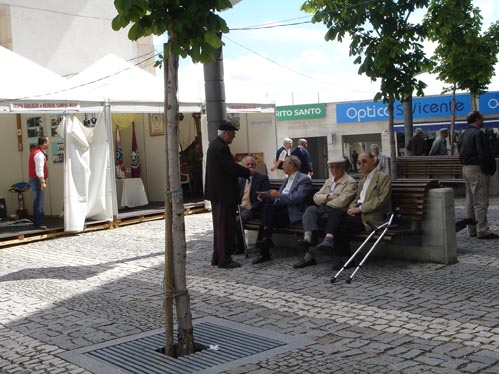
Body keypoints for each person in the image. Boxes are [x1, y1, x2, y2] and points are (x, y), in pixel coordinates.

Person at [293, 152, 391, 269]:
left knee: (336, 220)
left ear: (373, 161)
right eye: (359, 163)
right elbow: (357, 198)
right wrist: (351, 208)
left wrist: (358, 209)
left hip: (369, 216)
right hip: (354, 213)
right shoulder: (363, 179)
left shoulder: (382, 177)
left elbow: (381, 200)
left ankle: (337, 252)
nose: (361, 165)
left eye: (364, 161)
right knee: (319, 218)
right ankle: (332, 250)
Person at [205, 121, 255, 268]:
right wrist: (247, 172)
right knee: (224, 227)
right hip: (223, 194)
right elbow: (230, 168)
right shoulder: (221, 147)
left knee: (219, 226)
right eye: (233, 135)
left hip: (218, 194)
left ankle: (217, 256)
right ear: (227, 133)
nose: (233, 138)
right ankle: (224, 259)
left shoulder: (214, 145)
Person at [293, 158, 357, 268]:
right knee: (310, 210)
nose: (334, 169)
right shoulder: (329, 181)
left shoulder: (349, 181)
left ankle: (310, 256)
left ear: (343, 168)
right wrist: (328, 197)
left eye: (337, 167)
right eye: (331, 167)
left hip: (336, 212)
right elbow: (315, 197)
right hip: (325, 209)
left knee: (319, 220)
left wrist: (325, 202)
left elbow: (343, 201)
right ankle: (307, 240)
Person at [252, 155, 313, 264]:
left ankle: (264, 249)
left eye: (285, 163)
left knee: (267, 214)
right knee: (267, 208)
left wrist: (279, 196)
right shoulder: (287, 179)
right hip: (279, 210)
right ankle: (266, 241)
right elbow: (278, 196)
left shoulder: (303, 179)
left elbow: (298, 198)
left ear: (292, 165)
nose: (282, 165)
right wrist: (266, 195)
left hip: (292, 212)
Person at [457, 111, 498, 239]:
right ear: (477, 119)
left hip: (466, 168)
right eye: (482, 118)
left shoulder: (463, 134)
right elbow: (484, 153)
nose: (483, 121)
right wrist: (489, 169)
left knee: (470, 201)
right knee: (480, 201)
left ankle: (472, 229)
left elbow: (460, 151)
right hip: (477, 169)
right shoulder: (478, 134)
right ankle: (483, 229)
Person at [234, 155, 270, 254]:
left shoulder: (262, 178)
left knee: (238, 220)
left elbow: (265, 196)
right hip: (240, 206)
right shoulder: (240, 178)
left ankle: (240, 247)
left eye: (252, 165)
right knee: (227, 218)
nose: (250, 166)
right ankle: (231, 246)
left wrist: (252, 206)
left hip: (252, 209)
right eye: (248, 165)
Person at [28, 136, 50, 230]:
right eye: (47, 142)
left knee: (37, 201)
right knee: (39, 201)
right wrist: (42, 182)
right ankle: (40, 223)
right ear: (44, 143)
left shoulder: (35, 151)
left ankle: (36, 221)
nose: (48, 144)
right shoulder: (39, 154)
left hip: (34, 179)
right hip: (37, 180)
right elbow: (39, 170)